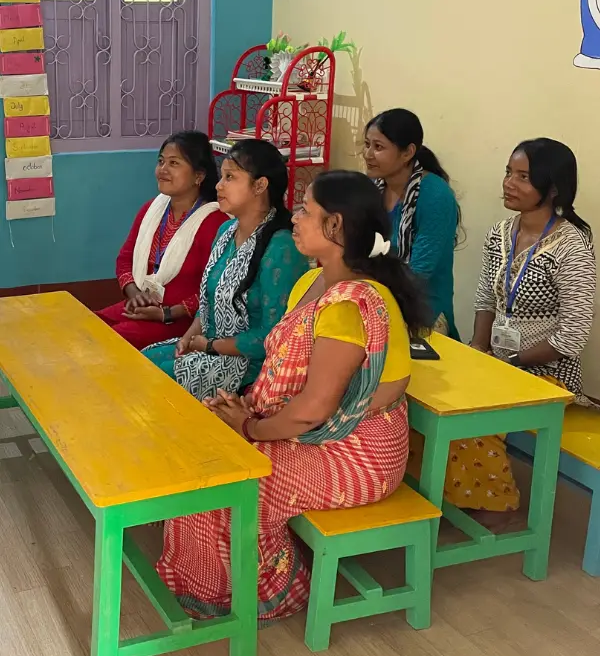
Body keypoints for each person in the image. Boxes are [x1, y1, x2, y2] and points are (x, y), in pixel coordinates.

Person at [155, 170, 431, 621]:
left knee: (226, 476)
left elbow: (314, 410)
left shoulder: (349, 305)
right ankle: (209, 583)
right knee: (204, 447)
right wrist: (247, 409)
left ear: (335, 226)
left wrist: (250, 427)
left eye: (306, 210)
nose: (295, 218)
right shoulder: (310, 283)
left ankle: (274, 591)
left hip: (353, 453)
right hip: (306, 431)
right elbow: (288, 374)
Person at [449, 138, 596, 523]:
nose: (508, 183)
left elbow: (572, 335)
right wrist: (478, 349)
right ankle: (444, 490)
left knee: (472, 413)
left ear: (553, 188)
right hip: (499, 364)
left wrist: (510, 363)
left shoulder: (571, 245)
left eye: (523, 177)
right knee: (438, 393)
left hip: (547, 375)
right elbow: (486, 297)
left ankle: (493, 504)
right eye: (508, 173)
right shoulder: (500, 232)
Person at [143, 138, 308, 400]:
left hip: (249, 365)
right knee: (140, 362)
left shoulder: (282, 247)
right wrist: (187, 339)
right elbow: (209, 303)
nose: (219, 185)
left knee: (156, 380)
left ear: (260, 185)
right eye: (222, 177)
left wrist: (211, 345)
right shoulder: (226, 231)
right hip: (209, 347)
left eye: (230, 177)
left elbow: (272, 335)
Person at [96, 131, 226, 350]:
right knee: (85, 324)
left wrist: (167, 313)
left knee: (106, 341)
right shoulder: (151, 210)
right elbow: (125, 259)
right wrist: (135, 295)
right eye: (161, 161)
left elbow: (214, 290)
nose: (163, 169)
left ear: (198, 176)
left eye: (174, 163)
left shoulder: (215, 222)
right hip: (142, 307)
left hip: (182, 321)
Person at [364, 108, 460, 338]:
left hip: (423, 314)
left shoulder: (435, 195)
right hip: (375, 301)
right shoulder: (372, 188)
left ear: (407, 152)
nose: (368, 154)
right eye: (367, 144)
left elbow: (418, 272)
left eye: (378, 147)